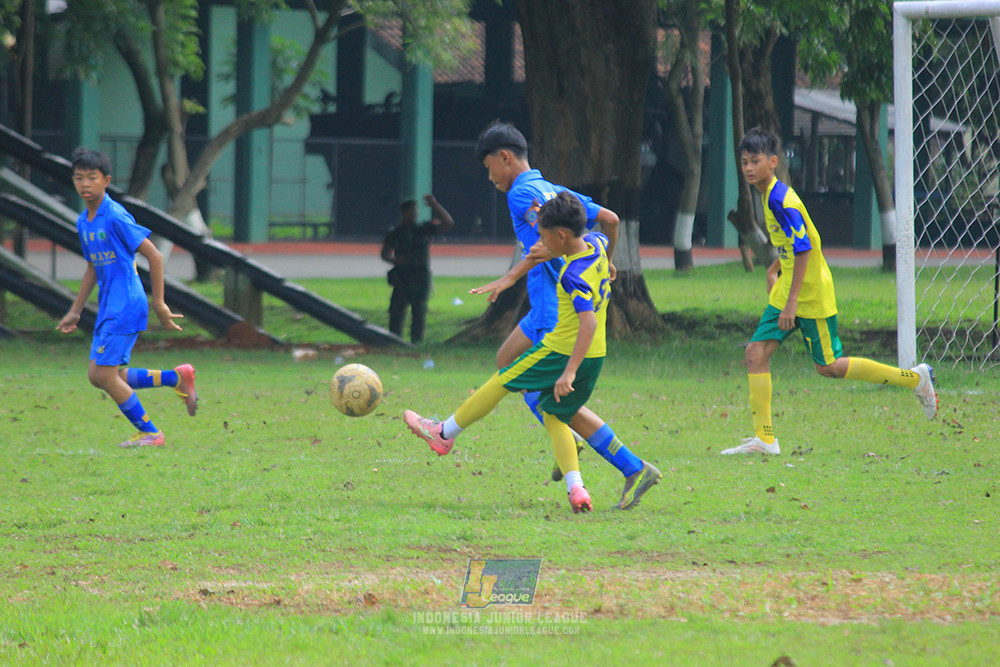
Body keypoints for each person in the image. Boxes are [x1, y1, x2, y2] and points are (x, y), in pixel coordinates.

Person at [468, 121, 660, 510]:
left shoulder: (521, 193)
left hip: (555, 311)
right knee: (507, 360)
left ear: (505, 158)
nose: (490, 178)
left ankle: (624, 463)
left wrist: (510, 277)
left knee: (547, 395)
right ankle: (587, 446)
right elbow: (610, 219)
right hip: (545, 308)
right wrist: (606, 263)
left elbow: (545, 242)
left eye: (489, 168)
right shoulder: (555, 190)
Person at [405, 193, 631, 513]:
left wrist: (568, 372)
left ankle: (444, 432)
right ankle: (577, 489)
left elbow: (589, 324)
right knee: (554, 415)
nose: (539, 245)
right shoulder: (596, 243)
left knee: (502, 380)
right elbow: (611, 226)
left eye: (543, 237)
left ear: (561, 236)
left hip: (561, 352)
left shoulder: (573, 276)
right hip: (594, 356)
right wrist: (608, 262)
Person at [723, 127, 938, 456]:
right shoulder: (768, 195)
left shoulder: (781, 199)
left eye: (755, 161)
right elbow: (794, 243)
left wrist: (792, 303)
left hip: (809, 293)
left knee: (830, 367)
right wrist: (774, 269)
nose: (749, 168)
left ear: (773, 162)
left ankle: (914, 379)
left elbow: (805, 249)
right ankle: (765, 439)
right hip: (790, 288)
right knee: (756, 353)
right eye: (744, 162)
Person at [57, 148, 198, 448]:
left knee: (105, 376)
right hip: (110, 305)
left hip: (127, 304)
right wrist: (76, 310)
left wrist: (159, 303)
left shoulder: (115, 216)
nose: (85, 184)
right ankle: (176, 378)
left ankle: (151, 433)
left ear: (106, 180)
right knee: (99, 376)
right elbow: (93, 267)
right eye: (79, 178)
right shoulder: (84, 221)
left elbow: (155, 256)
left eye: (92, 178)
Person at [380, 194, 455, 343]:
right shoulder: (395, 233)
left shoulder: (423, 229)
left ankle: (416, 343)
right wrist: (395, 260)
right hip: (402, 277)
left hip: (420, 277)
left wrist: (434, 205)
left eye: (416, 211)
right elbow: (385, 253)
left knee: (419, 313)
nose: (414, 214)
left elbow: (448, 223)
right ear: (404, 212)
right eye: (412, 211)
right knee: (396, 312)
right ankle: (394, 341)